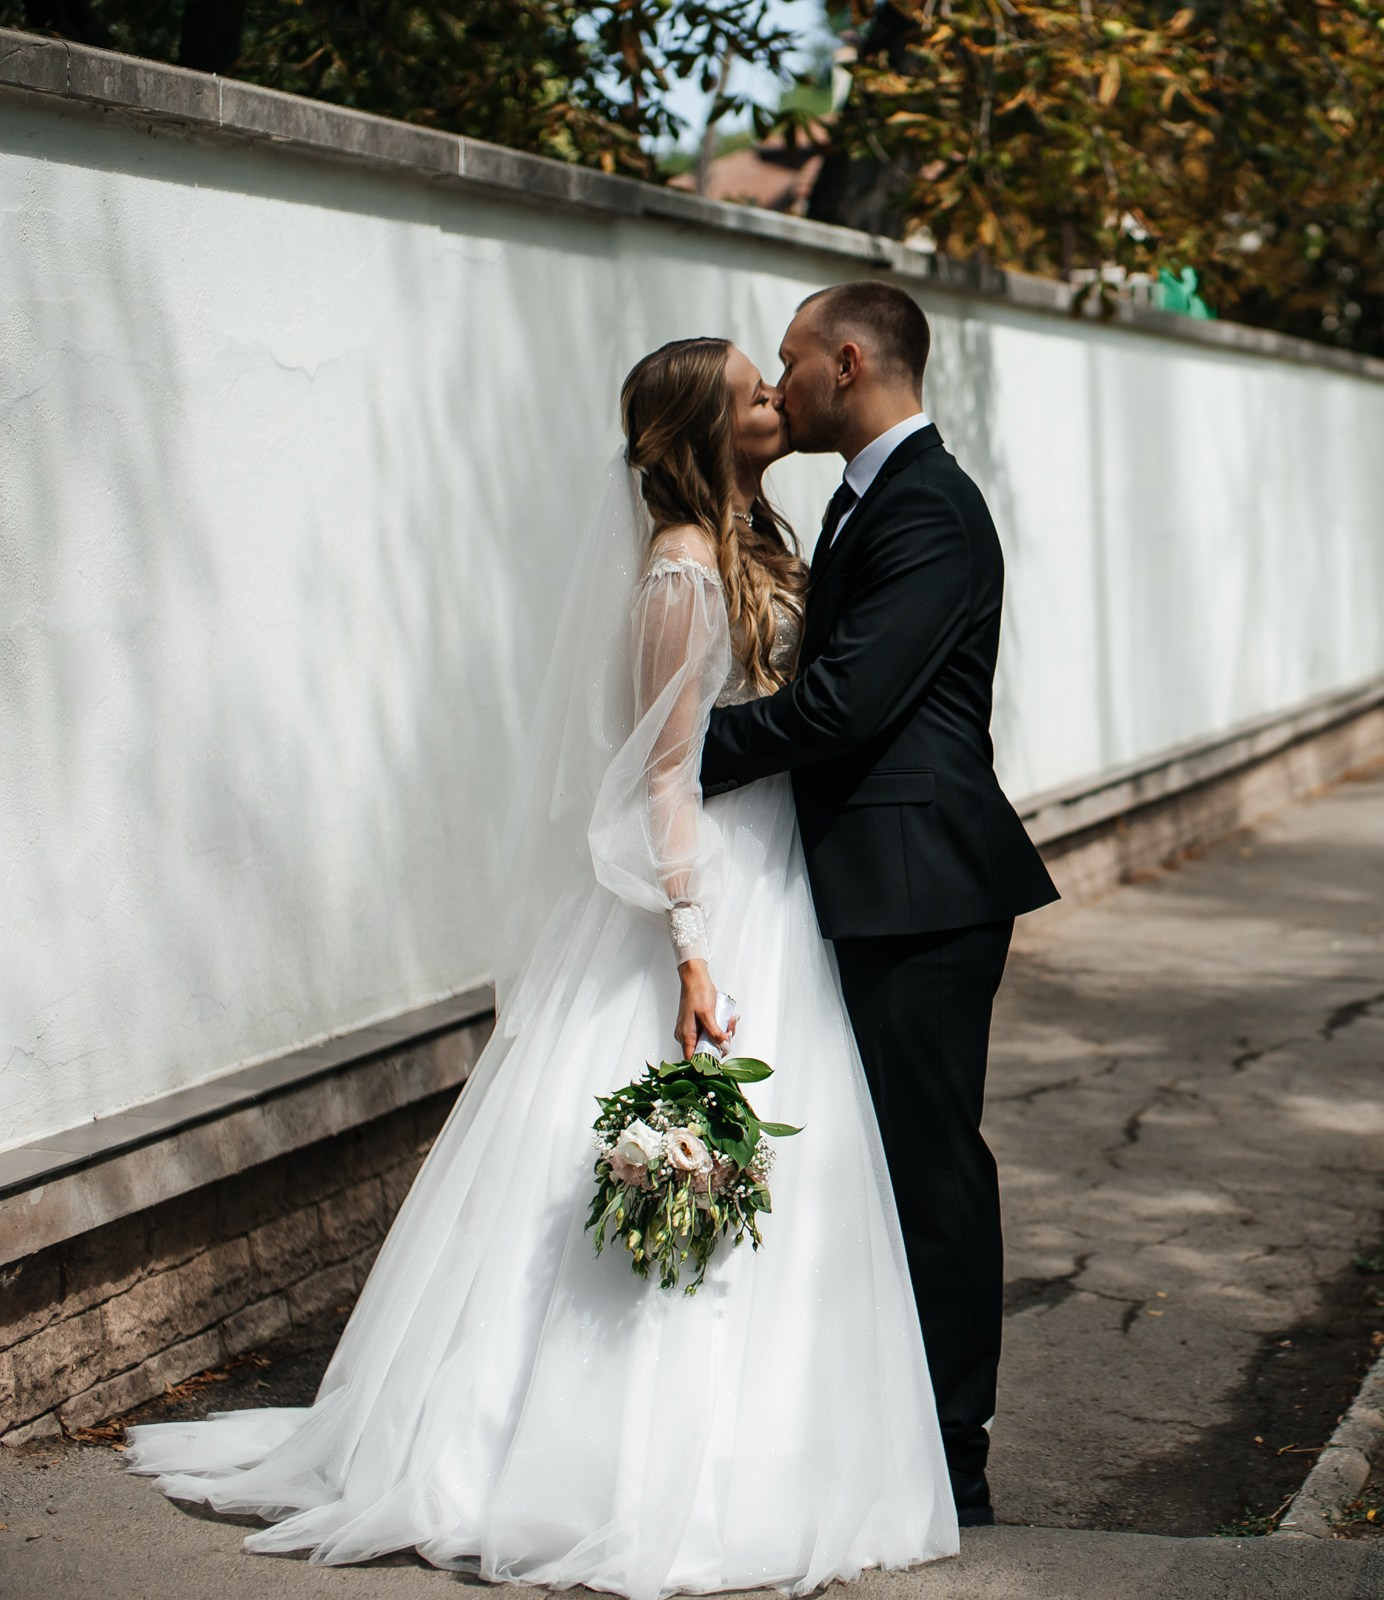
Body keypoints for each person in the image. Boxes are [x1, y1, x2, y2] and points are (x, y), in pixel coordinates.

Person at [123, 338, 959, 1598]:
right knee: (676, 1130)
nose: (777, 400)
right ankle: (590, 1462)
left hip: (785, 879)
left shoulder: (768, 539)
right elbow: (665, 772)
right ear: (703, 428)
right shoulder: (681, 569)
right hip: (712, 889)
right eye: (752, 392)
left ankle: (782, 1448)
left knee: (805, 1165)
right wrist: (691, 944)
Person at [696, 281, 1059, 1527]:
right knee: (871, 1163)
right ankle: (871, 1425)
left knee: (929, 1168)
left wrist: (683, 754)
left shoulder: (930, 512)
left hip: (924, 890)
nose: (779, 385)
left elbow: (844, 705)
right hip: (866, 882)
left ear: (846, 363)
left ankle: (956, 1454)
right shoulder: (861, 502)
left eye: (791, 361)